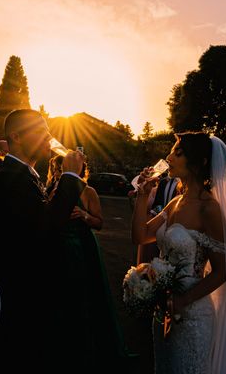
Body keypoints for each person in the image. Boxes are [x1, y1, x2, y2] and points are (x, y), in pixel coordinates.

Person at [0, 109, 85, 371]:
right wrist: (70, 177)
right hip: (20, 299)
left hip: (23, 294)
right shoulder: (9, 178)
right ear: (17, 136)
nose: (49, 139)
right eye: (42, 132)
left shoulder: (24, 177)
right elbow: (44, 227)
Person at [132, 132, 226, 373]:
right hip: (163, 309)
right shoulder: (176, 202)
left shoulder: (209, 209)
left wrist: (182, 301)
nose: (169, 157)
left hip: (192, 315)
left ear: (199, 162)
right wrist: (143, 196)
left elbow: (223, 272)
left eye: (178, 153)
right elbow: (140, 236)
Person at [46, 155, 133, 370]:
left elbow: (99, 223)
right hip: (58, 248)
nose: (58, 171)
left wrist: (84, 215)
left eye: (61, 168)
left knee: (85, 293)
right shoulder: (53, 190)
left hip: (81, 247)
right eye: (56, 168)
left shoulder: (88, 191)